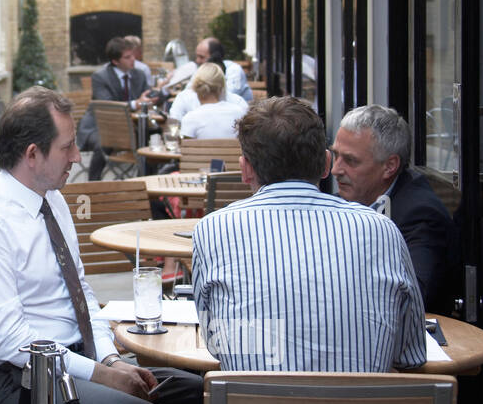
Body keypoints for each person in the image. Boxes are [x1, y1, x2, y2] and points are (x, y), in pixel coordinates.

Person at [0, 87, 203, 404]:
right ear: (32, 154)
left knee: (196, 396)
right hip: (14, 384)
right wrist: (99, 375)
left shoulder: (51, 200)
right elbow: (8, 341)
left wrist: (109, 361)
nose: (77, 157)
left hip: (68, 362)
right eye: (67, 147)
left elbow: (82, 295)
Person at [192, 96, 428, 372]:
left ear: (245, 170)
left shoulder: (212, 229)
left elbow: (215, 342)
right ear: (326, 164)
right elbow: (410, 354)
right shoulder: (382, 229)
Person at [331, 104, 460, 308]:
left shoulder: (420, 215)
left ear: (390, 166)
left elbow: (413, 295)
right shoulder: (341, 202)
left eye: (350, 160)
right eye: (335, 156)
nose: (336, 170)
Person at [78, 36, 153, 180]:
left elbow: (146, 96)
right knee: (104, 143)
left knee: (152, 139)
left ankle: (146, 182)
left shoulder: (139, 74)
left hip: (130, 126)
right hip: (99, 126)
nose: (133, 60)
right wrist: (135, 104)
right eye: (127, 57)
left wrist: (154, 97)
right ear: (115, 61)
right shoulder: (100, 77)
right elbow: (108, 106)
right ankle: (93, 184)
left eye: (133, 55)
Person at [179, 63, 245, 139]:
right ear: (222, 87)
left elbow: (186, 149)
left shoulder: (189, 119)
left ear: (196, 88)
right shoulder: (239, 113)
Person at [196, 37, 253, 103]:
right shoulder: (201, 69)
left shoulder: (234, 70)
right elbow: (189, 93)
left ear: (215, 56)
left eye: (201, 57)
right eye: (197, 56)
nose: (197, 60)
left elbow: (224, 99)